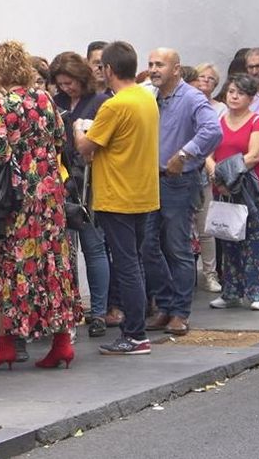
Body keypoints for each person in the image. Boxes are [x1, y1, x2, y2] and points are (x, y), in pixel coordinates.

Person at [0, 42, 81, 369]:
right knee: (53, 264)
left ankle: (7, 343)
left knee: (5, 267)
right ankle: (62, 342)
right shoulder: (44, 98)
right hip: (49, 198)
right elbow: (60, 140)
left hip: (15, 200)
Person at [75, 42, 160, 357]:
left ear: (107, 70)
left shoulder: (114, 105)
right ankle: (136, 331)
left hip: (118, 196)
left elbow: (87, 147)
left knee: (126, 266)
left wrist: (78, 129)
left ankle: (135, 335)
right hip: (143, 193)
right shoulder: (145, 98)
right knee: (134, 263)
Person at [142, 49, 221, 337]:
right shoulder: (151, 96)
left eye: (159, 64)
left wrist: (185, 154)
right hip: (150, 181)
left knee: (177, 249)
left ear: (176, 69)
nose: (153, 69)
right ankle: (164, 305)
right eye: (150, 64)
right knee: (148, 246)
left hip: (177, 182)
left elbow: (213, 130)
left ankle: (179, 312)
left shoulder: (192, 97)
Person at [48, 52, 112, 336]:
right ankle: (70, 310)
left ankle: (98, 311)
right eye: (61, 84)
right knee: (65, 252)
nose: (66, 88)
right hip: (61, 181)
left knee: (93, 246)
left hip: (90, 181)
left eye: (70, 83)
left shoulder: (100, 103)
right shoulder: (55, 103)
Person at [208, 75, 259, 310]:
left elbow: (254, 155)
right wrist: (217, 174)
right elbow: (208, 152)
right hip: (223, 190)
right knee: (228, 240)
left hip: (251, 190)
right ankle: (231, 290)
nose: (234, 96)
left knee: (254, 241)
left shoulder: (257, 122)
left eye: (241, 93)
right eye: (231, 92)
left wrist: (228, 173)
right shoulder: (218, 122)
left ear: (250, 97)